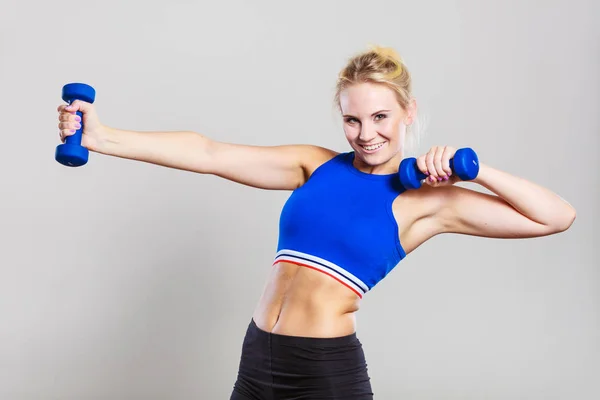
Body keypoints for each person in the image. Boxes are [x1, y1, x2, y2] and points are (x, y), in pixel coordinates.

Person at [56, 45, 576, 399]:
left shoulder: (430, 203)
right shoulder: (316, 164)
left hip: (324, 372)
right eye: (352, 119)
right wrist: (104, 139)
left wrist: (478, 169)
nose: (365, 134)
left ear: (408, 112)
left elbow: (557, 216)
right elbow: (210, 152)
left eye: (380, 118)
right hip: (258, 354)